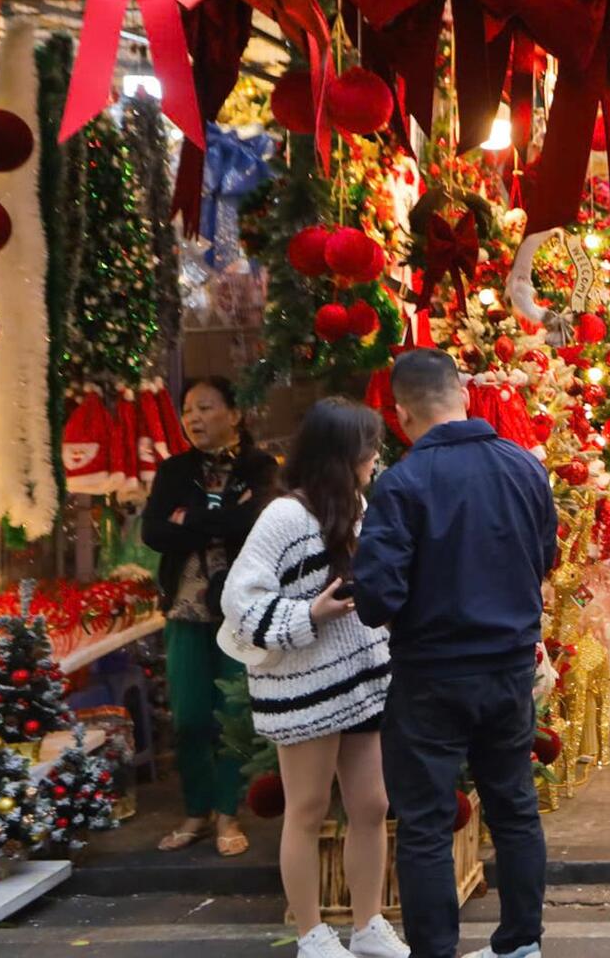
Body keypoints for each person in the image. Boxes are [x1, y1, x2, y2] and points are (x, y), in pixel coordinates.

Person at [352, 349, 558, 958]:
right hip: (508, 667)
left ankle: (436, 950)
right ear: (462, 395)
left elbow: (378, 598)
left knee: (424, 825)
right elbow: (544, 558)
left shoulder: (402, 483)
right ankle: (521, 944)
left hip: (431, 676)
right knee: (514, 808)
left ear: (401, 414)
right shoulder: (523, 467)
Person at [222, 398, 402, 958]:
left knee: (371, 804)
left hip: (363, 680)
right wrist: (307, 616)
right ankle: (311, 933)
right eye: (367, 446)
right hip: (303, 688)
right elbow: (240, 601)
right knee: (307, 810)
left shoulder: (356, 504)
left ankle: (368, 924)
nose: (375, 455)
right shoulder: (283, 517)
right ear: (340, 454)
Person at [141, 375, 278, 857]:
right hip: (185, 608)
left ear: (234, 413)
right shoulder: (174, 470)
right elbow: (155, 533)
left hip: (239, 611)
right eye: (188, 411)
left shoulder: (260, 468)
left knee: (234, 715)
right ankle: (195, 811)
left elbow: (257, 523)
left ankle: (226, 813)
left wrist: (190, 519)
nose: (194, 418)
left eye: (205, 407)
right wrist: (217, 520)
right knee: (190, 717)